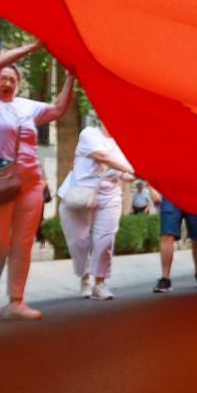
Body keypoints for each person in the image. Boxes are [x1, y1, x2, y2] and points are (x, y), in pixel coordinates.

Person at [0, 43, 70, 319]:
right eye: (3, 78)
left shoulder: (26, 106)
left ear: (19, 84)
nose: (7, 82)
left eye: (12, 79)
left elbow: (59, 109)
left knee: (23, 243)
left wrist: (71, 77)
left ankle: (16, 301)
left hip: (30, 184)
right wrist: (37, 46)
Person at [59, 110, 134, 300]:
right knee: (79, 242)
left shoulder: (123, 143)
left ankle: (100, 283)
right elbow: (102, 157)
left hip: (109, 196)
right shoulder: (89, 134)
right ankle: (85, 278)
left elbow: (123, 175)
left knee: (105, 240)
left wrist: (139, 176)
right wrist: (131, 168)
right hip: (81, 194)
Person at [155, 193, 197, 292]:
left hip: (194, 192)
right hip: (170, 192)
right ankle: (165, 278)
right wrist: (152, 189)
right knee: (167, 233)